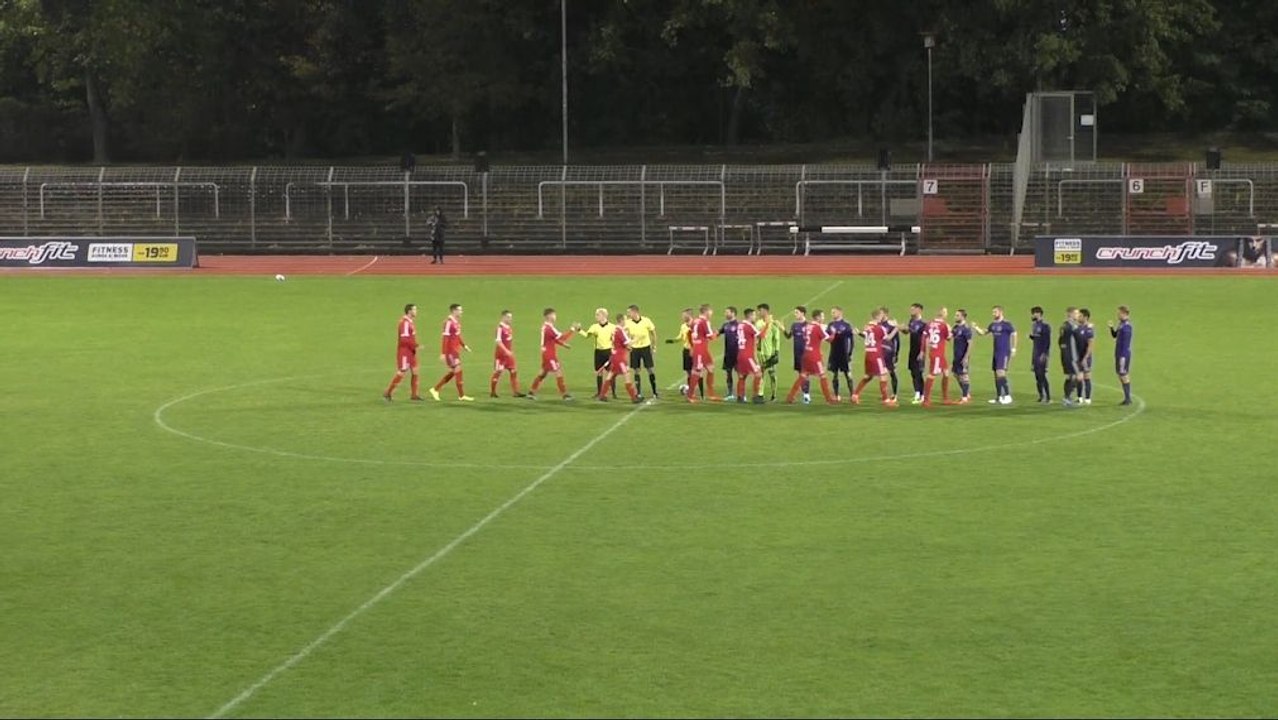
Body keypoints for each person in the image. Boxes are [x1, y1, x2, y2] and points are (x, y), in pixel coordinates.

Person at [527, 308, 579, 401]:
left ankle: (531, 392)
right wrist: (573, 329)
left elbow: (553, 339)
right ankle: (565, 395)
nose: (555, 317)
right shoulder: (549, 328)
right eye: (554, 315)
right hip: (550, 355)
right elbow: (562, 337)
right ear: (549, 316)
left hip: (545, 353)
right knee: (558, 372)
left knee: (543, 373)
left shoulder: (545, 327)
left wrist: (563, 345)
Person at [786, 309, 836, 404]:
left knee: (803, 376)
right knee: (823, 376)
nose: (823, 318)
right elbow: (829, 339)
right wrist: (833, 333)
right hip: (814, 356)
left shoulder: (807, 326)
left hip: (806, 354)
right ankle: (829, 399)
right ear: (817, 317)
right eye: (822, 316)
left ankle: (790, 396)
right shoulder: (818, 327)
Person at [850, 309, 895, 406]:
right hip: (876, 355)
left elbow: (867, 336)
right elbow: (888, 338)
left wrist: (858, 333)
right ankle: (886, 400)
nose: (883, 317)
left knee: (868, 376)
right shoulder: (880, 328)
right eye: (882, 315)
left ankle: (855, 395)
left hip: (868, 354)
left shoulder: (867, 326)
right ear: (878, 316)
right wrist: (896, 328)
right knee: (883, 375)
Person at [428, 303, 473, 401]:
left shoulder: (456, 322)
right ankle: (461, 396)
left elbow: (457, 335)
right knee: (458, 370)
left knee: (453, 372)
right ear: (454, 311)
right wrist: (443, 353)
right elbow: (445, 338)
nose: (462, 312)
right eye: (460, 310)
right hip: (450, 351)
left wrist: (464, 345)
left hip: (455, 351)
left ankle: (435, 389)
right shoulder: (448, 322)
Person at [596, 313, 641, 403]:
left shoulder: (615, 330)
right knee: (627, 375)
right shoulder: (620, 331)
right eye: (625, 319)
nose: (626, 321)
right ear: (621, 321)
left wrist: (626, 347)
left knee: (611, 374)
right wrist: (637, 339)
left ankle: (602, 395)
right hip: (620, 358)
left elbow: (619, 343)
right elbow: (628, 343)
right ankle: (634, 397)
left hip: (614, 356)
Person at [384, 303, 423, 401]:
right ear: (409, 311)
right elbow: (404, 339)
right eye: (414, 310)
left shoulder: (409, 322)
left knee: (415, 371)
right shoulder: (405, 323)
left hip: (411, 351)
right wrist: (416, 345)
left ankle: (414, 395)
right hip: (405, 351)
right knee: (402, 371)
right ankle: (388, 393)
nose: (416, 311)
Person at [981, 305, 1017, 404]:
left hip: (1004, 352)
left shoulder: (1007, 324)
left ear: (1001, 312)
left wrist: (1013, 348)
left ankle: (1008, 396)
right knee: (996, 375)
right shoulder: (993, 324)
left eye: (995, 312)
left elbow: (1014, 334)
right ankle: (999, 397)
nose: (993, 314)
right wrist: (976, 328)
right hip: (996, 352)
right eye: (993, 312)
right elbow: (984, 333)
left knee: (1001, 373)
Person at [578, 308, 617, 399]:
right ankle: (599, 392)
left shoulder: (612, 327)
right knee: (599, 372)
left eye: (597, 315)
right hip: (598, 352)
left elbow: (616, 339)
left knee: (611, 372)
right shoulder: (594, 327)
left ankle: (614, 393)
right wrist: (579, 330)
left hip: (609, 352)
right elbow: (587, 336)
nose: (596, 317)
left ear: (603, 316)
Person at [665, 308, 703, 399]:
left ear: (689, 315)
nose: (682, 317)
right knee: (689, 372)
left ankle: (702, 394)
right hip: (686, 351)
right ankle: (691, 392)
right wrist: (673, 341)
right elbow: (681, 337)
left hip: (696, 351)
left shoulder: (696, 326)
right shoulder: (683, 326)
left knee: (698, 372)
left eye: (683, 315)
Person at [686, 304, 722, 403]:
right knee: (697, 371)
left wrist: (692, 345)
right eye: (710, 311)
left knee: (710, 368)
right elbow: (711, 337)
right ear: (706, 312)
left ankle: (711, 394)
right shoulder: (705, 322)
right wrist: (717, 333)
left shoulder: (695, 321)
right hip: (700, 349)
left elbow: (689, 333)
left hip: (701, 348)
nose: (711, 313)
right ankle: (690, 395)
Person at [624, 304, 659, 399]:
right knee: (636, 370)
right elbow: (623, 333)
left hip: (645, 348)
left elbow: (653, 333)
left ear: (635, 312)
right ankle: (638, 393)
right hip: (634, 349)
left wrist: (654, 346)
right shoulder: (628, 322)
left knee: (650, 369)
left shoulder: (646, 321)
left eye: (629, 312)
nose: (628, 314)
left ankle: (655, 392)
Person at [489, 310, 526, 398]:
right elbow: (498, 341)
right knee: (498, 372)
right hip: (501, 355)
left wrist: (509, 352)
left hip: (509, 355)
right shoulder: (500, 328)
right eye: (509, 317)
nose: (510, 319)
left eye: (511, 317)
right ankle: (493, 392)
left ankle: (516, 392)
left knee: (513, 371)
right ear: (503, 317)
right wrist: (506, 351)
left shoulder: (509, 327)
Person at [920, 306, 952, 407]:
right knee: (932, 374)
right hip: (938, 353)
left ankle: (945, 398)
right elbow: (949, 338)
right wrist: (951, 332)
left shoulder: (929, 324)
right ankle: (926, 400)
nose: (947, 314)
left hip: (935, 352)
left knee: (946, 373)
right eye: (946, 312)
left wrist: (922, 351)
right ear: (942, 313)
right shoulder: (944, 325)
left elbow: (924, 337)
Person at [735, 307, 765, 403]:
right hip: (748, 355)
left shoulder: (740, 325)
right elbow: (761, 336)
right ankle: (756, 397)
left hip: (740, 354)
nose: (755, 317)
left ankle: (740, 397)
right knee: (758, 374)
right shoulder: (749, 326)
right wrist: (768, 324)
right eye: (754, 315)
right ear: (750, 316)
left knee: (742, 376)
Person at [825, 306, 855, 401]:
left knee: (848, 374)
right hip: (834, 352)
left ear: (840, 313)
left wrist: (850, 353)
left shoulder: (846, 325)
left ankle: (852, 395)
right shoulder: (830, 325)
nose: (832, 314)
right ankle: (837, 395)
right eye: (832, 312)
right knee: (835, 374)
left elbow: (851, 340)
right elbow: (827, 338)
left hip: (844, 353)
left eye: (834, 312)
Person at [756, 303, 784, 401]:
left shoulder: (773, 323)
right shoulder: (759, 323)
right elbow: (758, 337)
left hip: (770, 353)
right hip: (761, 352)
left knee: (772, 374)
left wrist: (776, 351)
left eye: (760, 311)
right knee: (761, 372)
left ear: (765, 311)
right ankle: (760, 394)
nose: (758, 313)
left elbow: (776, 339)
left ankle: (774, 395)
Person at [1108, 305, 1134, 406]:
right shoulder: (1121, 324)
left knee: (1123, 374)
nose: (1118, 315)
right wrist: (1111, 328)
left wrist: (1122, 357)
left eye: (1119, 313)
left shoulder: (1127, 327)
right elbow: (1115, 336)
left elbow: (1126, 343)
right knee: (1120, 374)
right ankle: (1127, 398)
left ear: (1125, 314)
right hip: (1118, 353)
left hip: (1123, 354)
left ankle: (1128, 398)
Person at [784, 306, 811, 403]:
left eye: (797, 312)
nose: (795, 314)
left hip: (806, 353)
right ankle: (804, 394)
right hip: (797, 353)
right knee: (800, 374)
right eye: (795, 312)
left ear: (803, 313)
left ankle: (806, 395)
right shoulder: (794, 325)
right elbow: (788, 336)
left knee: (805, 375)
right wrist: (782, 328)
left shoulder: (808, 325)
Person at [1028, 306, 1053, 403]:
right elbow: (1037, 338)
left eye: (1033, 313)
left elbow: (1047, 342)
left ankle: (1048, 397)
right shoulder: (1034, 325)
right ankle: (1041, 396)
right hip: (1035, 354)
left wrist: (1044, 354)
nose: (1032, 315)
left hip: (1042, 354)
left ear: (1038, 314)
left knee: (1042, 375)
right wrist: (1032, 337)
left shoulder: (1045, 326)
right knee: (1037, 376)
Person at [950, 309, 974, 404]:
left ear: (963, 317)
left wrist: (966, 357)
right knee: (956, 374)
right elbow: (949, 336)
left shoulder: (966, 329)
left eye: (957, 315)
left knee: (964, 375)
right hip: (956, 355)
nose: (955, 317)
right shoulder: (955, 327)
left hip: (963, 356)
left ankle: (964, 397)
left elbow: (970, 343)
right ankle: (966, 393)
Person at [1058, 306, 1081, 406]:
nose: (1078, 315)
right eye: (1076, 313)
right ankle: (1067, 397)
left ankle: (1067, 398)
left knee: (1070, 376)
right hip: (1071, 357)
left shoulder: (1065, 326)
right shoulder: (1070, 327)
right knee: (1078, 376)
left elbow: (1060, 342)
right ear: (1070, 314)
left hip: (1067, 356)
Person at [1074, 308, 1096, 405]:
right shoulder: (1077, 328)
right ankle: (1079, 397)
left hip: (1085, 357)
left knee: (1086, 376)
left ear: (1085, 317)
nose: (1078, 317)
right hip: (1077, 356)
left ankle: (1087, 398)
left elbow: (1091, 344)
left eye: (1080, 316)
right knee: (1078, 377)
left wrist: (1086, 357)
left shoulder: (1089, 330)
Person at [906, 303, 927, 404]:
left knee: (918, 373)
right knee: (913, 372)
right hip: (912, 351)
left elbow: (924, 339)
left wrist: (922, 351)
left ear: (919, 310)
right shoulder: (911, 321)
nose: (911, 311)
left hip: (919, 351)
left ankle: (921, 395)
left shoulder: (923, 324)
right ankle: (918, 394)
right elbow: (908, 332)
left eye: (913, 309)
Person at [879, 307, 901, 401]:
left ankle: (894, 394)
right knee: (882, 373)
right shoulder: (878, 325)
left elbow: (897, 341)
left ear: (885, 314)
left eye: (881, 313)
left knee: (892, 372)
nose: (879, 315)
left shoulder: (891, 324)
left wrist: (895, 354)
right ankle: (885, 394)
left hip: (890, 353)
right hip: (880, 352)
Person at [719, 307, 741, 402]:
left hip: (738, 353)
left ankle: (741, 394)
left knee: (740, 374)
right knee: (728, 373)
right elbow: (717, 333)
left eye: (727, 312)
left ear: (733, 313)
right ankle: (730, 393)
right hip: (728, 354)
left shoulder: (739, 325)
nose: (725, 314)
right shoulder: (725, 325)